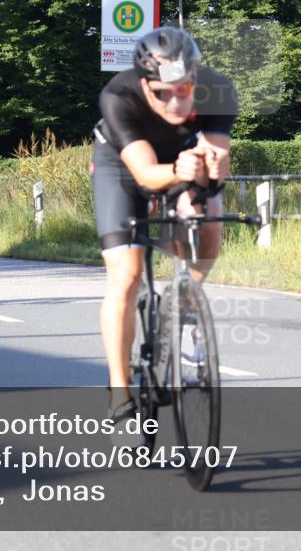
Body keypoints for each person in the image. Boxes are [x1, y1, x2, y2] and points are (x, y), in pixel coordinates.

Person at [92, 27, 237, 424]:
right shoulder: (118, 96)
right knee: (127, 274)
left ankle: (184, 305)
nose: (175, 102)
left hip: (181, 160)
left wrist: (211, 171)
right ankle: (119, 393)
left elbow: (214, 171)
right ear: (144, 84)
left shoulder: (219, 89)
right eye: (162, 93)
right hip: (122, 166)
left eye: (185, 90)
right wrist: (177, 169)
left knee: (207, 217)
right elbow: (143, 174)